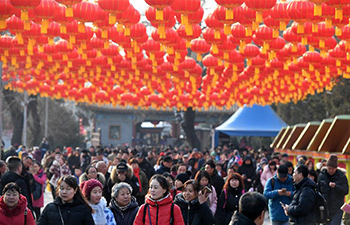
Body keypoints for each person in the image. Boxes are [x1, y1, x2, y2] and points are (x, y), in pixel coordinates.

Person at [318, 154, 349, 225]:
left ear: (336, 168)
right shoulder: (322, 176)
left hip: (337, 209)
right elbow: (318, 190)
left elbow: (346, 190)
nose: (330, 170)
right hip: (325, 209)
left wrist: (336, 186)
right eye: (329, 168)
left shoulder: (341, 177)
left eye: (332, 169)